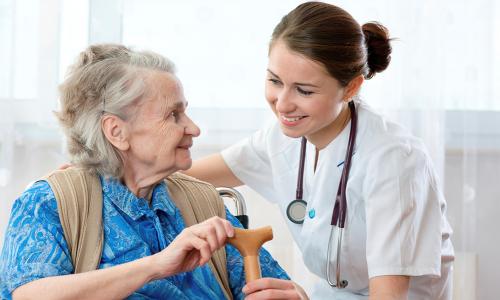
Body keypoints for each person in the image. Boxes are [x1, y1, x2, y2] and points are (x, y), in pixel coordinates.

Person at [185, 2, 454, 299]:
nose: (282, 104)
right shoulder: (283, 138)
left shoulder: (394, 160)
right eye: (275, 81)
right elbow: (186, 177)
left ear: (351, 88)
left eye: (304, 90)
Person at [0, 44, 308, 299]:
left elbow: (279, 288)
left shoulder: (200, 202)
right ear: (117, 131)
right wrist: (158, 265)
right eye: (174, 114)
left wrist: (294, 296)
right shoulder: (50, 202)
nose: (194, 128)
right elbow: (30, 294)